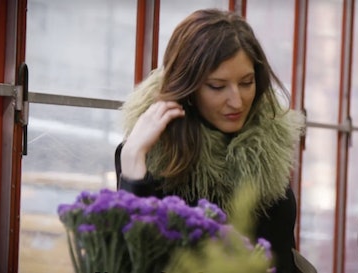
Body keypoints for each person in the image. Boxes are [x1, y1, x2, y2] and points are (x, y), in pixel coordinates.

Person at [114, 9, 307, 273]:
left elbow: (281, 257)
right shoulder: (153, 152)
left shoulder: (267, 147)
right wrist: (133, 160)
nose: (237, 101)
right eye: (217, 86)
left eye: (246, 82)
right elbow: (130, 261)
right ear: (189, 88)